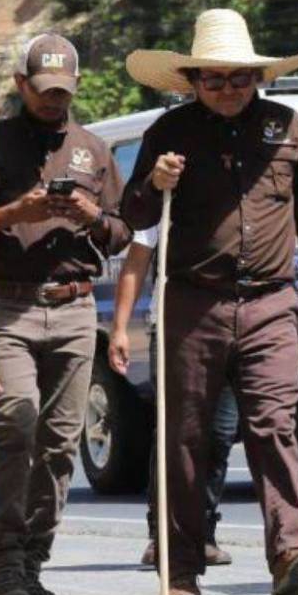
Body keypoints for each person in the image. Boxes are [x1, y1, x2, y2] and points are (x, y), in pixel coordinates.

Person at [123, 8, 298, 595]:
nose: (227, 89)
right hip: (193, 301)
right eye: (213, 79)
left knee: (274, 427)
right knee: (186, 437)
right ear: (192, 80)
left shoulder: (289, 127)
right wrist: (154, 185)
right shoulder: (167, 133)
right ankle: (180, 568)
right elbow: (133, 217)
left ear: (256, 77)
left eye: (238, 78)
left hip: (272, 301)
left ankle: (291, 556)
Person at [0, 33, 131, 595]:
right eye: (43, 92)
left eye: (63, 92)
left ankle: (34, 561)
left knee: (62, 444)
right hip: (9, 304)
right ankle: (5, 564)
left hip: (75, 305)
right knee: (15, 424)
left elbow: (123, 233)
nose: (52, 101)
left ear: (76, 87)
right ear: (21, 85)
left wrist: (91, 216)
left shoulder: (94, 149)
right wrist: (21, 210)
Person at [107, 228, 237, 568]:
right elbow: (135, 265)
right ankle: (161, 534)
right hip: (174, 330)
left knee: (221, 433)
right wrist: (119, 327)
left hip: (230, 327)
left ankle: (204, 531)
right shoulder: (164, 194)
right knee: (175, 433)